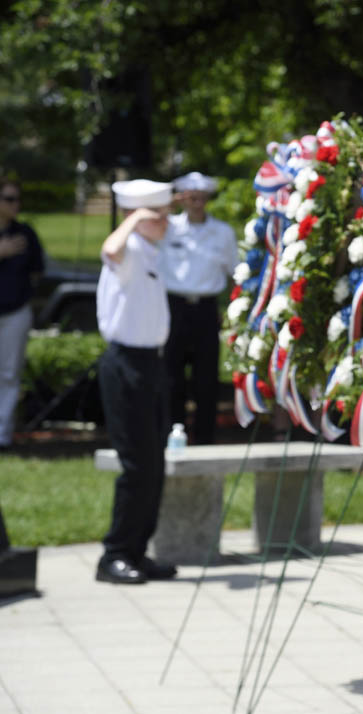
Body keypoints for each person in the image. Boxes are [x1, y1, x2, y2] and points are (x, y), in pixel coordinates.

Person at [95, 179, 177, 585]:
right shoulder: (126, 250)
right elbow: (109, 249)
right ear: (138, 217)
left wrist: (144, 222)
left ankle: (137, 551)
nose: (165, 222)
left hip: (150, 365)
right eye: (156, 215)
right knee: (137, 465)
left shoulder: (148, 250)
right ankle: (115, 554)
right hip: (126, 364)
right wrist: (134, 221)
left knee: (153, 465)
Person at [160, 172, 236, 445]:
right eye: (190, 197)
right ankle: (171, 431)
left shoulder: (222, 232)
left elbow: (233, 271)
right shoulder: (168, 227)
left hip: (205, 308)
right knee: (172, 374)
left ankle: (205, 437)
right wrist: (168, 203)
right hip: (174, 305)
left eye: (201, 197)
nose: (196, 203)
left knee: (206, 377)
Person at [0, 178, 45, 452]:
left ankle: (2, 435)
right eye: (8, 199)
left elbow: (38, 272)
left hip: (15, 312)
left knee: (8, 375)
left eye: (17, 199)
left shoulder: (25, 234)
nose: (15, 204)